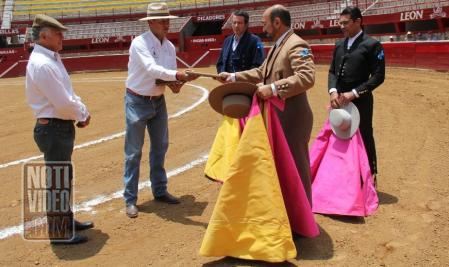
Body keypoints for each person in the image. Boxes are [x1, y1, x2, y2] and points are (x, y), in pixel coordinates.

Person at [217, 4, 315, 203]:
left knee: (296, 169)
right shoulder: (280, 44)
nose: (263, 28)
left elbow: (307, 77)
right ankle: (291, 217)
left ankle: (303, 222)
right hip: (280, 117)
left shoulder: (296, 44)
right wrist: (233, 76)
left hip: (293, 118)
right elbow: (261, 72)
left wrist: (273, 88)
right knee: (283, 170)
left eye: (265, 23)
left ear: (277, 22)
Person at [123, 2, 199, 218]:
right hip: (136, 101)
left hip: (157, 100)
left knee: (160, 146)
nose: (167, 24)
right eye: (163, 21)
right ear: (152, 22)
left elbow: (165, 77)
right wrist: (178, 76)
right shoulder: (140, 43)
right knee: (133, 152)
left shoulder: (169, 47)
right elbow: (152, 69)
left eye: (168, 21)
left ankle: (159, 190)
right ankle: (130, 199)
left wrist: (178, 83)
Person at [25, 14, 93, 245]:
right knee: (58, 180)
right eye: (57, 33)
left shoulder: (51, 58)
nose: (62, 37)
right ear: (43, 35)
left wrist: (81, 110)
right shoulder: (43, 63)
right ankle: (59, 232)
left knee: (63, 177)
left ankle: (66, 220)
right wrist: (82, 114)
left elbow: (68, 93)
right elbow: (63, 103)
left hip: (57, 127)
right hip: (54, 127)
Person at [328, 6, 385, 182]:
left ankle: (370, 175)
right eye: (340, 23)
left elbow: (378, 76)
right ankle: (345, 175)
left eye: (345, 23)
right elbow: (332, 72)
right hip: (338, 100)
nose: (342, 27)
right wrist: (333, 91)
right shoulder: (339, 44)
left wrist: (354, 93)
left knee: (364, 134)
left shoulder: (372, 45)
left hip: (361, 100)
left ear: (358, 21)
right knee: (339, 134)